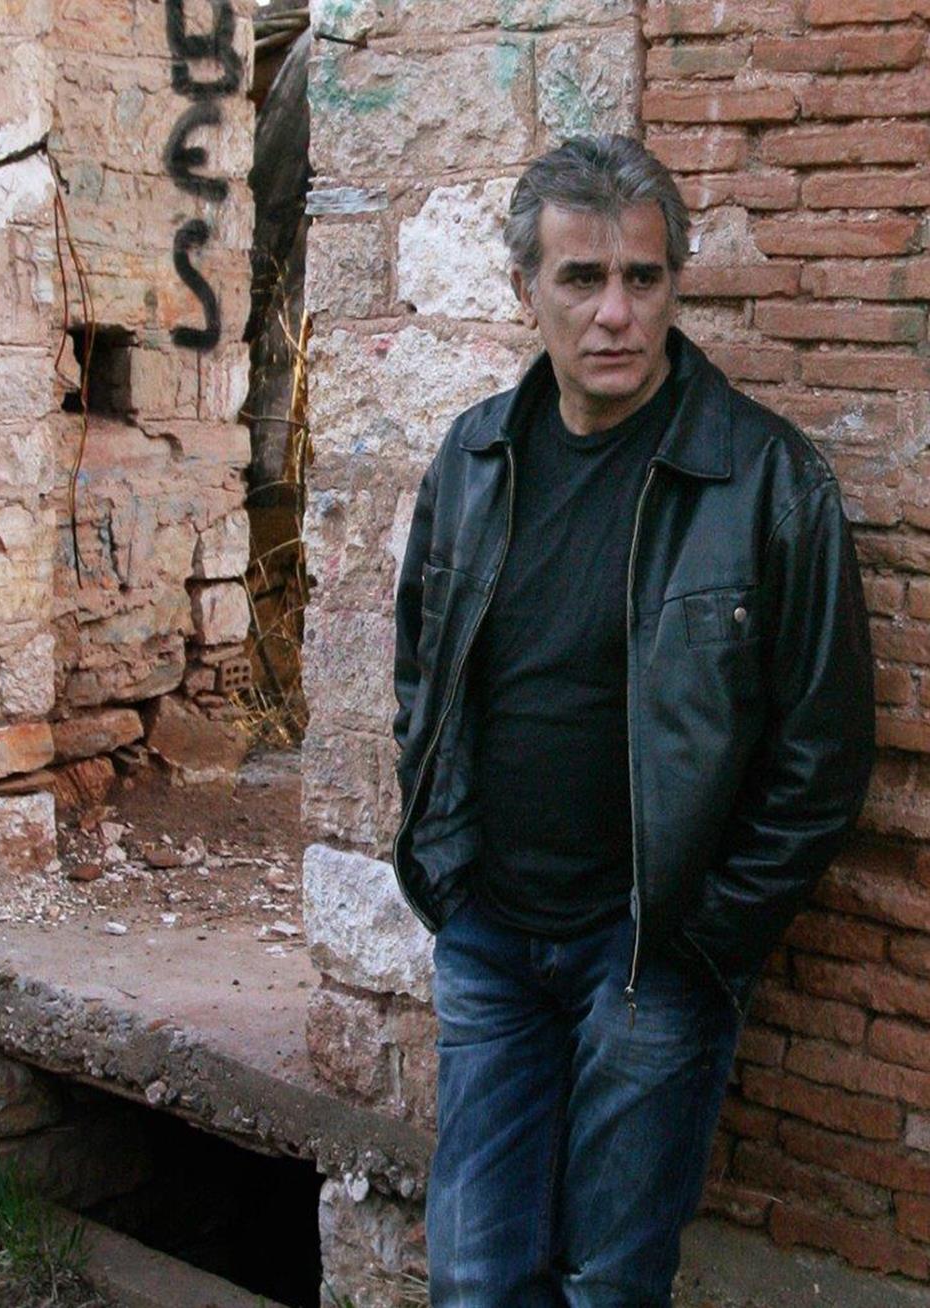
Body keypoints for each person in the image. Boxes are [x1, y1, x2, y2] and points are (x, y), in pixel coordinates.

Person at [391, 135, 874, 1307]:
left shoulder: (764, 480)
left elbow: (821, 754)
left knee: (608, 1283)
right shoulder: (473, 457)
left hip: (652, 952)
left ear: (673, 284)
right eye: (581, 278)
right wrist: (448, 869)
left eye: (642, 278)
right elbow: (421, 674)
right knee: (472, 1279)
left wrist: (707, 938)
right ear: (525, 288)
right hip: (491, 933)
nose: (614, 313)